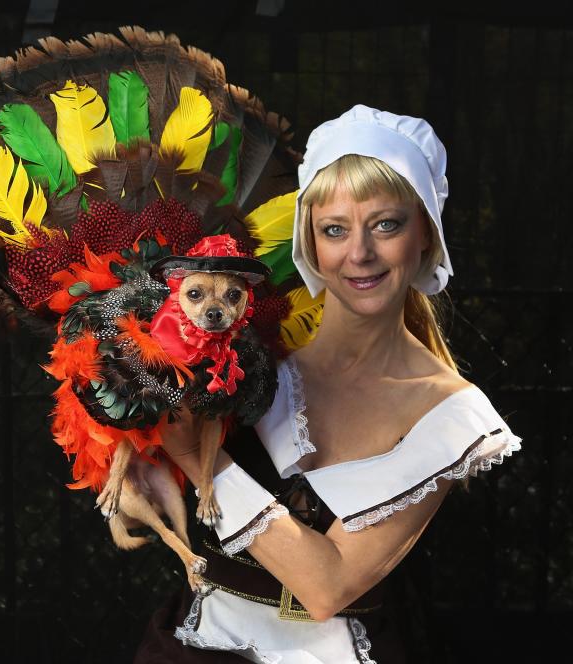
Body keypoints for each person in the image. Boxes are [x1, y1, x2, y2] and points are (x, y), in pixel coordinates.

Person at [135, 104, 522, 664]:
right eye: (334, 230)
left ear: (427, 236)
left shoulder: (454, 416)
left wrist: (201, 462)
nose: (360, 253)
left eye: (386, 224)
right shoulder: (256, 356)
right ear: (310, 244)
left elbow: (325, 588)